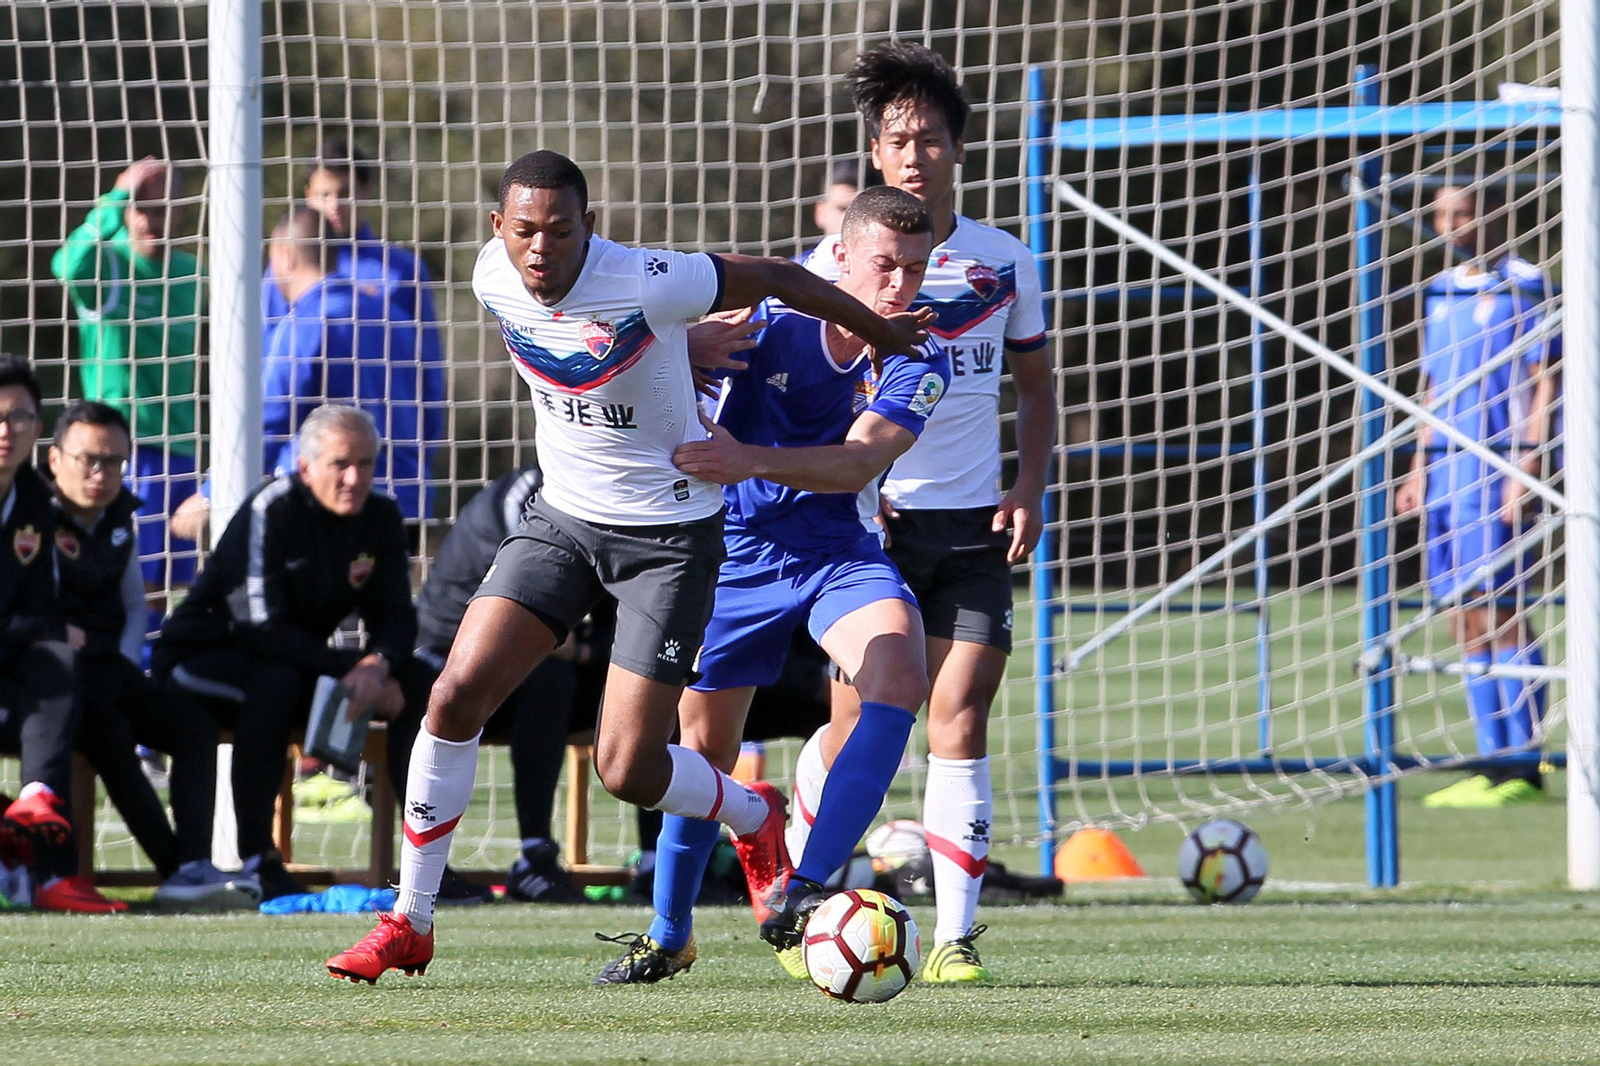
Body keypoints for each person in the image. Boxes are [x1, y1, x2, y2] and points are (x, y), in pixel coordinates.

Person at [324, 148, 931, 986]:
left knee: (629, 768)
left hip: (671, 541)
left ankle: (759, 819)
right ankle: (409, 919)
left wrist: (882, 334)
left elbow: (778, 277)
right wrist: (681, 351)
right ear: (498, 229)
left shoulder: (656, 281)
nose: (541, 249)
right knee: (454, 692)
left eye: (561, 231)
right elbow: (600, 353)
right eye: (525, 231)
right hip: (563, 521)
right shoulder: (488, 278)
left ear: (589, 229)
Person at [594, 185, 950, 985]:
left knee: (898, 676)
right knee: (702, 752)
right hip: (737, 554)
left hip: (837, 552)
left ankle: (811, 884)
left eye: (916, 269)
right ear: (845, 256)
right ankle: (669, 930)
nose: (900, 285)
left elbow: (861, 462)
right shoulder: (768, 318)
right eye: (886, 266)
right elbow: (630, 351)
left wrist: (747, 457)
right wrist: (681, 350)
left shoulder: (923, 351)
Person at [789, 42, 1056, 983]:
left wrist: (1028, 486)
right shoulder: (828, 264)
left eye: (931, 139)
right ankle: (812, 899)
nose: (914, 154)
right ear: (873, 151)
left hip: (976, 522)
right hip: (870, 527)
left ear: (956, 151)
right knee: (858, 722)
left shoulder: (1004, 260)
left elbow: (1036, 387)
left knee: (961, 716)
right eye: (898, 138)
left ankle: (954, 940)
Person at [152, 405, 421, 899]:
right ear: (305, 467)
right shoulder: (272, 508)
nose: (354, 477)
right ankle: (259, 857)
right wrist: (354, 668)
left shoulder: (381, 516)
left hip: (293, 663)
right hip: (198, 660)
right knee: (274, 683)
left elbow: (398, 619)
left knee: (419, 681)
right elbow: (259, 628)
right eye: (341, 463)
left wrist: (378, 665)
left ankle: (423, 864)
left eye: (366, 463)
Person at [46, 401, 258, 909]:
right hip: (52, 680)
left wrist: (122, 660)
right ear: (55, 460)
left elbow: (134, 607)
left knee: (192, 725)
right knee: (112, 735)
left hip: (108, 668)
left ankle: (191, 864)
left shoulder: (120, 517)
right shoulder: (33, 518)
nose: (101, 474)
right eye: (88, 460)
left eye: (115, 462)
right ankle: (177, 871)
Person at [1395, 184, 1559, 810]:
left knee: (1503, 605)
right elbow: (1433, 389)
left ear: (1491, 214)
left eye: (1462, 213)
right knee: (1462, 614)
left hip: (1496, 473)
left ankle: (1528, 760)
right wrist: (1417, 468)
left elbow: (1546, 380)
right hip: (1446, 474)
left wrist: (1527, 461)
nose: (1451, 225)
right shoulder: (1439, 290)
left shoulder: (1524, 283)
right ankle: (1490, 761)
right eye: (1441, 215)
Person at [172, 208, 445, 538]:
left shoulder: (303, 325)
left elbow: (270, 418)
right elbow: (431, 403)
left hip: (329, 503)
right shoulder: (396, 320)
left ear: (285, 257)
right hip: (402, 503)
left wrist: (211, 496)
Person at [393, 462, 582, 903]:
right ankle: (430, 878)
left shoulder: (613, 499)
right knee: (543, 680)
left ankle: (658, 862)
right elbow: (531, 609)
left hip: (539, 653)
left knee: (654, 679)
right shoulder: (526, 498)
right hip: (445, 654)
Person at [0, 356, 124, 913]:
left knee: (59, 662)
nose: (7, 431)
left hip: (12, 661)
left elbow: (35, 605)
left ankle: (39, 823)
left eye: (20, 417)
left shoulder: (32, 501)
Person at [51, 157, 203, 592]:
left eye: (162, 208)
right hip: (124, 450)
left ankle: (162, 659)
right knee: (131, 581)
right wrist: (115, 196)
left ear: (182, 210)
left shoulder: (193, 274)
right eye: (141, 207)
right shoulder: (109, 266)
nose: (151, 219)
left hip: (181, 447)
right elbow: (66, 265)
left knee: (174, 585)